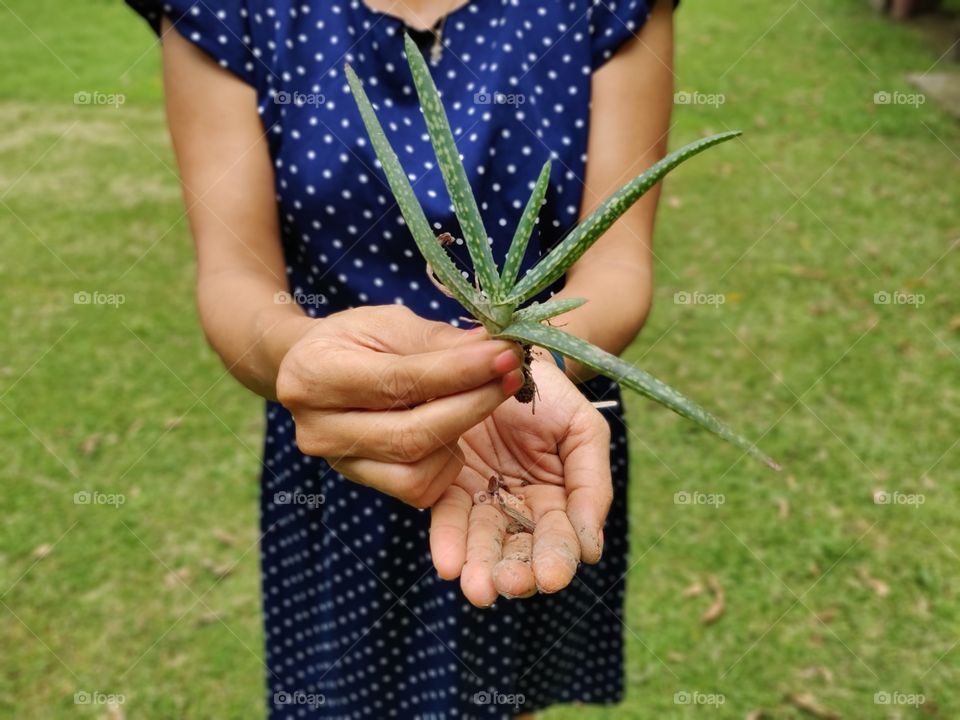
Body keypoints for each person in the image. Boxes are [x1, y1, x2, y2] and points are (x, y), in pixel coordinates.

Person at [127, 0, 674, 716]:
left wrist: (523, 368)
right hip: (341, 450)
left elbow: (617, 266)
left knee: (505, 687)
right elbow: (235, 277)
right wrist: (312, 358)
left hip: (535, 435)